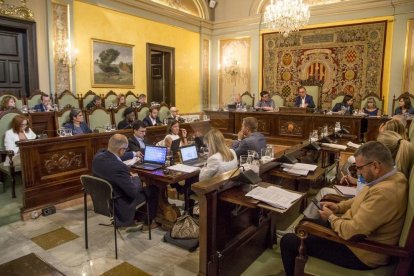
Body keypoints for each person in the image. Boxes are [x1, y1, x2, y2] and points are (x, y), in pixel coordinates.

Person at [280, 141, 408, 276]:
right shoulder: (392, 177)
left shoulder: (385, 193)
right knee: (307, 224)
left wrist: (331, 217)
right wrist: (338, 207)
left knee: (288, 241)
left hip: (360, 253)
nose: (358, 173)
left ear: (375, 166)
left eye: (360, 168)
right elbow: (361, 198)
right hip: (353, 238)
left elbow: (352, 232)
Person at [92, 134, 159, 229]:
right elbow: (133, 193)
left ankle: (137, 217)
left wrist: (133, 154)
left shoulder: (97, 157)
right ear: (121, 150)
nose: (125, 151)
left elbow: (114, 156)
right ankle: (148, 223)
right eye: (126, 149)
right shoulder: (119, 167)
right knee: (153, 189)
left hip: (103, 202)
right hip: (120, 203)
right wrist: (135, 178)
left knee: (141, 188)